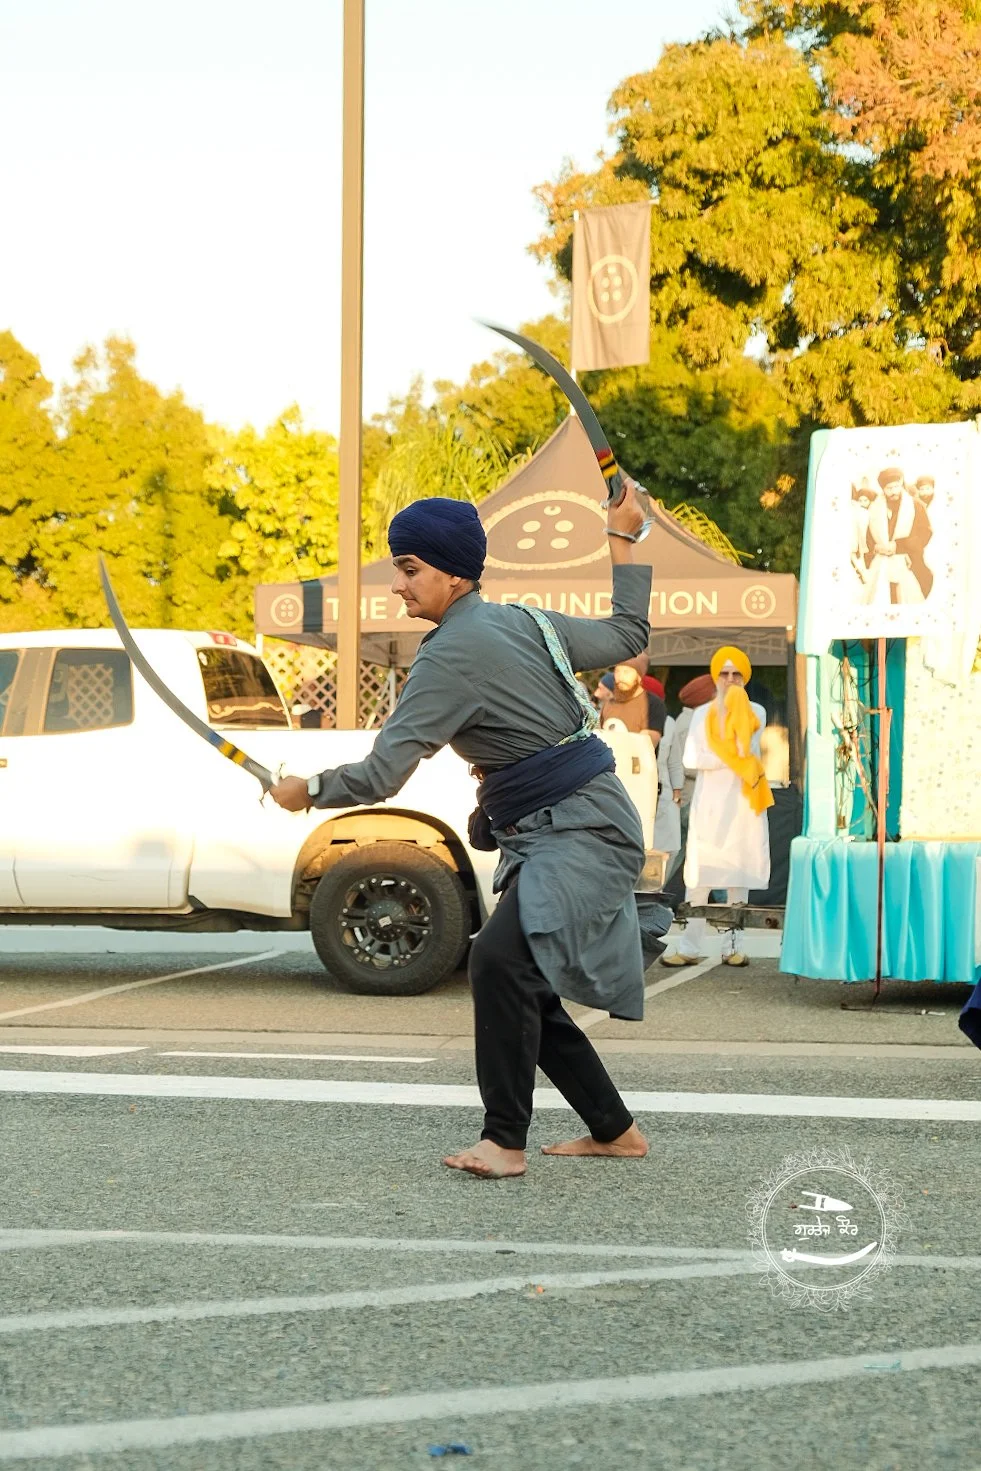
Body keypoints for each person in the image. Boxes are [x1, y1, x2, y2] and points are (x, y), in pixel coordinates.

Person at [269, 487, 653, 1180]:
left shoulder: (448, 655)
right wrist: (619, 534)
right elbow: (628, 632)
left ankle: (503, 1142)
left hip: (577, 830)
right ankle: (614, 1128)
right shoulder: (526, 621)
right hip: (585, 821)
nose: (397, 584)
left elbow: (382, 774)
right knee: (520, 976)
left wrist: (308, 791)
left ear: (452, 573)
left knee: (497, 963)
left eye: (409, 568)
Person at [661, 646, 773, 968]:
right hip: (709, 805)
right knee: (699, 878)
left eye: (736, 674)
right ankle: (689, 947)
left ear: (744, 677)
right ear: (715, 677)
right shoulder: (701, 714)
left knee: (738, 876)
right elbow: (691, 760)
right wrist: (728, 760)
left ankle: (733, 946)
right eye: (723, 674)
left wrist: (723, 755)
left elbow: (745, 749)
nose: (729, 680)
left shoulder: (757, 712)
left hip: (742, 804)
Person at [865, 467, 933, 605]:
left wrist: (898, 546)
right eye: (889, 488)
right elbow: (869, 535)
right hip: (881, 563)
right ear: (883, 489)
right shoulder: (875, 508)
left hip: (910, 561)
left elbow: (925, 533)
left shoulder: (916, 505)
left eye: (896, 486)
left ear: (901, 483)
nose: (893, 491)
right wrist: (877, 547)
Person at [599, 663, 663, 752]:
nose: (620, 677)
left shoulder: (652, 703)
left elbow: (648, 744)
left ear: (639, 676)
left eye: (626, 672)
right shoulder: (609, 703)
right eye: (617, 671)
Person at [653, 709, 685, 868]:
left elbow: (674, 762)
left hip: (664, 792)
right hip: (636, 793)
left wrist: (677, 792)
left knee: (670, 848)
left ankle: (657, 889)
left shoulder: (669, 723)